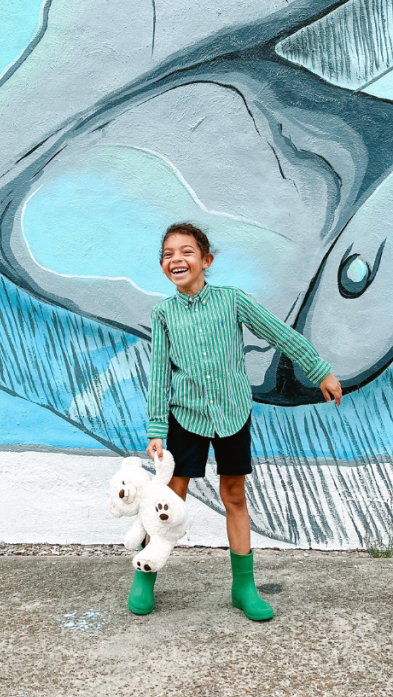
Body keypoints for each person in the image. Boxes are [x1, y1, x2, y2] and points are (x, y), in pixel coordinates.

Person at [128, 221, 342, 619]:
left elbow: (280, 334)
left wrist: (319, 370)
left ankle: (243, 587)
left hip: (231, 414)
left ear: (206, 261)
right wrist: (157, 428)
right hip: (186, 418)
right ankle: (145, 576)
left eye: (187, 251)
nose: (177, 258)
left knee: (234, 496)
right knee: (169, 501)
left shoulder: (233, 301)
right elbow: (159, 374)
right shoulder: (164, 315)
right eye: (169, 254)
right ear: (162, 267)